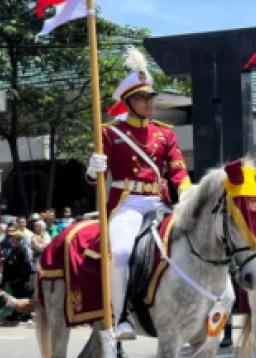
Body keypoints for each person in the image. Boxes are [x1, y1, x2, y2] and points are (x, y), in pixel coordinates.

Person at [86, 46, 192, 339]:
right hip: (128, 203)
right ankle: (121, 316)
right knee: (120, 252)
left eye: (150, 97)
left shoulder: (164, 132)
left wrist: (187, 193)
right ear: (128, 102)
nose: (148, 102)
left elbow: (177, 169)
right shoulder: (110, 133)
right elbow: (98, 178)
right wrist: (92, 168)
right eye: (141, 98)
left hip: (160, 202)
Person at [0, 231, 33, 323]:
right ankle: (14, 315)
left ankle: (26, 315)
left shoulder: (22, 250)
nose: (10, 239)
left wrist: (26, 280)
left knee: (22, 297)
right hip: (11, 279)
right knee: (13, 298)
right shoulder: (10, 250)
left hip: (20, 279)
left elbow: (27, 266)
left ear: (17, 239)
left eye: (13, 237)